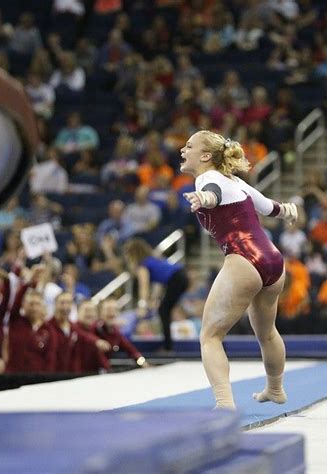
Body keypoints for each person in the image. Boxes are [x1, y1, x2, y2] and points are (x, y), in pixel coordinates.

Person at [180, 130, 298, 409]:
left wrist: (204, 200)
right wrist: (288, 210)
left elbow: (213, 194)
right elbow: (271, 208)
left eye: (189, 146)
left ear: (206, 156)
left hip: (243, 258)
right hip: (272, 260)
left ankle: (224, 403)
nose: (182, 150)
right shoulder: (238, 183)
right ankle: (275, 389)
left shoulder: (207, 178)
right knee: (267, 332)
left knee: (210, 336)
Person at [123, 238, 188, 351]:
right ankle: (168, 345)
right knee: (164, 310)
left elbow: (144, 287)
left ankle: (168, 347)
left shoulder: (142, 264)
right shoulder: (153, 260)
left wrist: (142, 306)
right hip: (181, 277)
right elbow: (160, 282)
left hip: (177, 279)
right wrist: (153, 299)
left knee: (163, 311)